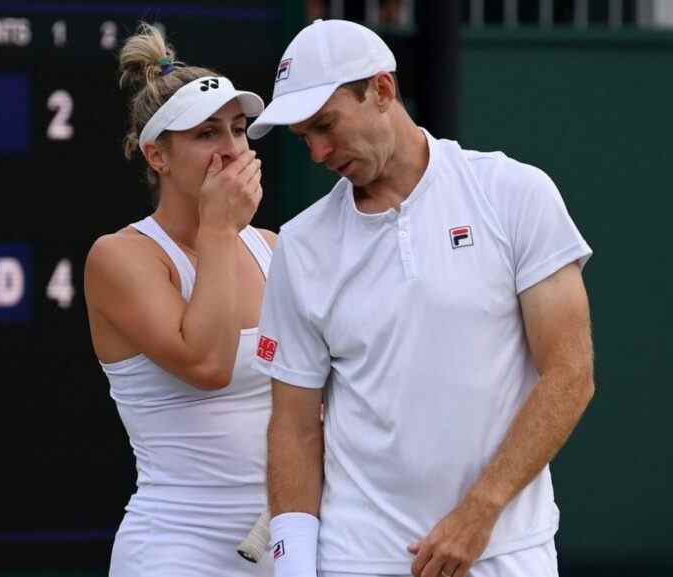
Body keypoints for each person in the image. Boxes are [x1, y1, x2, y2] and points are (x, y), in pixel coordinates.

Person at [248, 19, 594, 577]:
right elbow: (293, 426)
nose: (317, 151)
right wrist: (292, 566)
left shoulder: (514, 193)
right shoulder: (301, 245)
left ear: (382, 90)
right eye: (303, 137)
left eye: (326, 125)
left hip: (505, 552)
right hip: (356, 558)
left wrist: (481, 512)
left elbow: (570, 373)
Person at [83, 23, 276, 577]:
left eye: (239, 130)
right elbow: (208, 365)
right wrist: (218, 230)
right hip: (174, 550)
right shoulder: (121, 257)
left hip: (280, 550)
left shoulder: (274, 250)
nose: (232, 149)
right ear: (157, 156)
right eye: (207, 134)